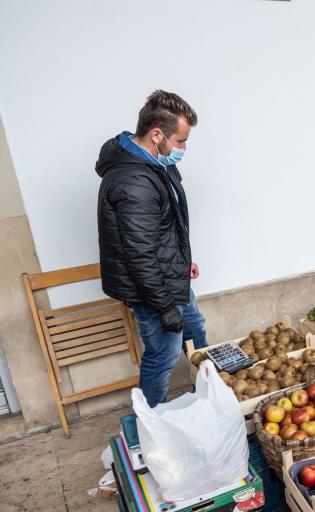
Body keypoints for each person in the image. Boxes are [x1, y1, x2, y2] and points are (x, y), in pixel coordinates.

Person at [96, 90, 208, 407]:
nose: (184, 148)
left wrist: (181, 260)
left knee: (196, 329)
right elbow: (139, 257)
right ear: (157, 134)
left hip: (168, 274)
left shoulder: (155, 162)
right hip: (149, 287)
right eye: (181, 140)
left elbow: (162, 224)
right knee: (165, 352)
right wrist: (165, 310)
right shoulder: (132, 181)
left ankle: (212, 400)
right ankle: (150, 426)